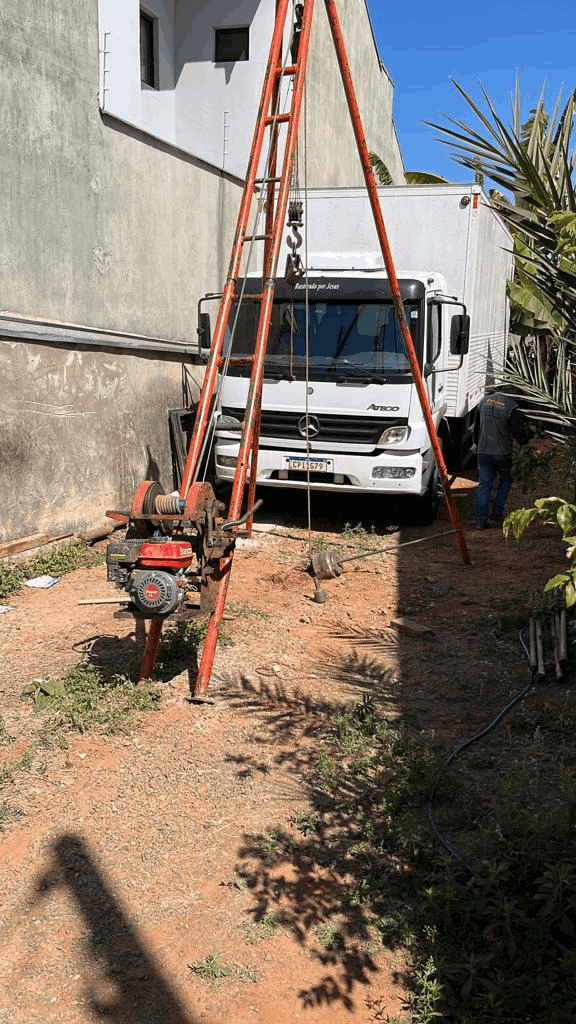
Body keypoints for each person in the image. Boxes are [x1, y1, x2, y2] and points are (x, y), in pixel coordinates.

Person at [475, 386, 528, 530]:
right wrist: (525, 445)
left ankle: (481, 520)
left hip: (483, 451)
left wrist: (477, 444)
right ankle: (497, 512)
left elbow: (476, 428)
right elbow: (519, 432)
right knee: (505, 480)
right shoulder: (512, 407)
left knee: (484, 485)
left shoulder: (483, 401)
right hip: (502, 452)